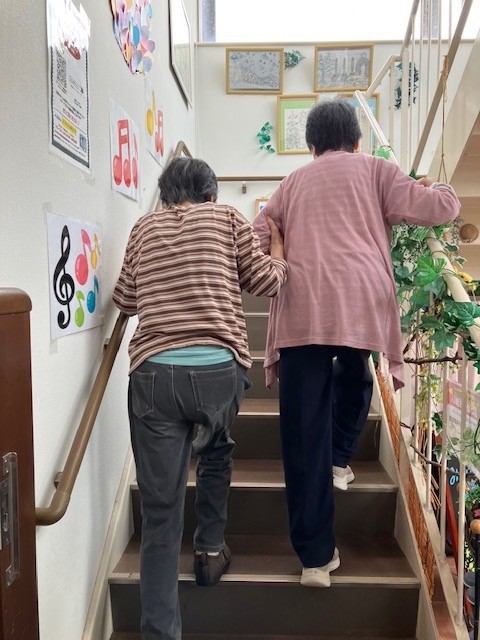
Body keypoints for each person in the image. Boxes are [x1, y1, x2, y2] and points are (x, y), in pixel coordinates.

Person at [252, 97, 460, 588]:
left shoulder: (290, 184)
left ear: (311, 145)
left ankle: (315, 560)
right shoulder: (376, 170)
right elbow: (440, 209)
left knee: (302, 434)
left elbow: (256, 240)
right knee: (356, 372)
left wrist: (279, 242)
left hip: (303, 308)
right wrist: (438, 188)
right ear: (357, 139)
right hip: (359, 304)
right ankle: (339, 454)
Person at [113, 156, 287, 640]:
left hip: (154, 376)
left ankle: (159, 632)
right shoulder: (227, 218)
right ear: (210, 194)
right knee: (216, 449)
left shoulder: (143, 227)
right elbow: (267, 282)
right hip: (218, 371)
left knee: (160, 511)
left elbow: (124, 299)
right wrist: (277, 249)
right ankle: (210, 551)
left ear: (168, 195)